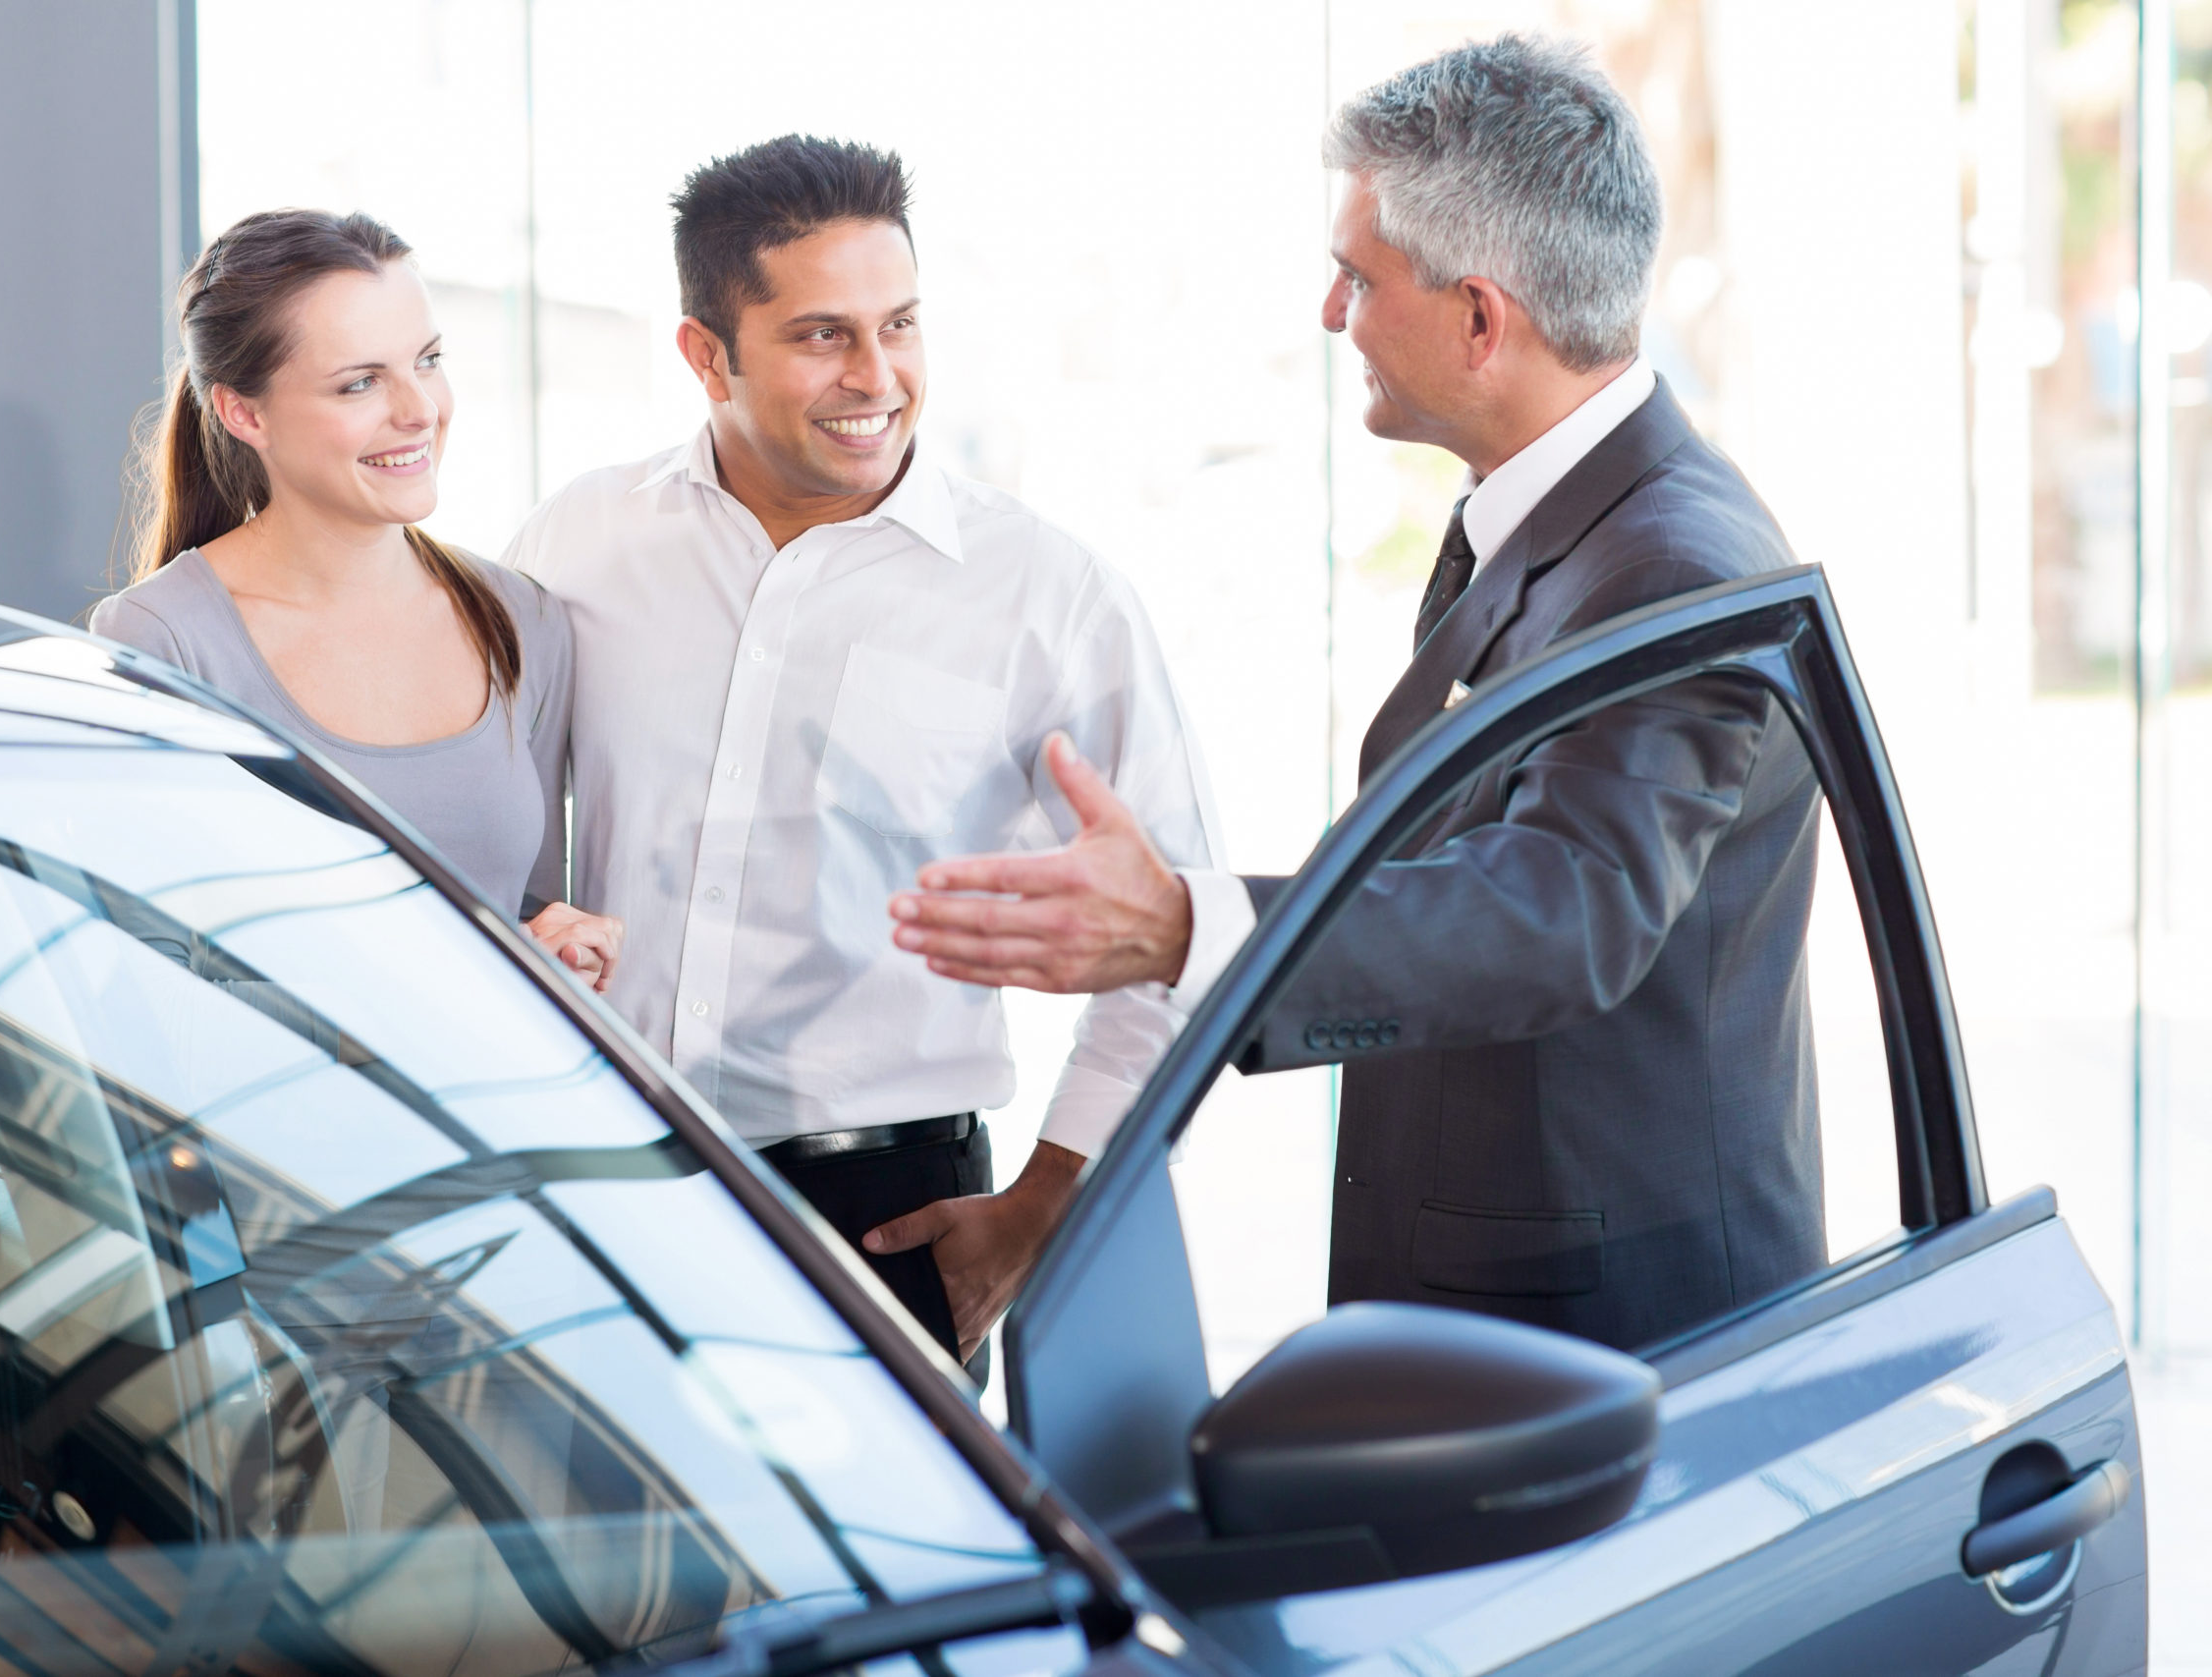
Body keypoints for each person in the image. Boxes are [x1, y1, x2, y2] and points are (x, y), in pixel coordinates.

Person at [889, 35, 1827, 1351]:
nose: (1333, 316)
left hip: (1607, 1349)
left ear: (1482, 318)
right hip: (1515, 1307)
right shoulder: (1566, 517)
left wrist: (1180, 925)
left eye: (1357, 276)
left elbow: (1564, 909)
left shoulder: (1666, 563)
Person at [502, 137, 1222, 1369]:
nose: (877, 376)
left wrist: (1051, 1199)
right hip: (601, 1185)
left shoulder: (1048, 596)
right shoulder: (581, 539)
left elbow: (1182, 932)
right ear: (704, 355)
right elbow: (493, 824)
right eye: (822, 334)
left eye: (900, 324)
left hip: (886, 1217)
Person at [91, 209, 622, 984]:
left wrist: (561, 954)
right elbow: (145, 965)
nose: (420, 410)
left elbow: (531, 910)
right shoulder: (163, 638)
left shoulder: (521, 619)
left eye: (428, 360)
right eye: (361, 382)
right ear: (244, 412)